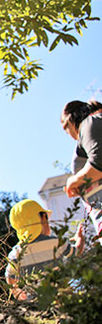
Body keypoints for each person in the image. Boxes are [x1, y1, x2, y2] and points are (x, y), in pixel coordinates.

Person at [6, 199, 83, 300]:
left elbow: (10, 277)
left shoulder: (16, 253)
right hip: (61, 298)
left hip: (35, 305)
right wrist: (80, 238)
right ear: (42, 219)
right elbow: (77, 252)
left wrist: (18, 294)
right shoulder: (56, 242)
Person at [61, 100, 102, 242]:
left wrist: (74, 180)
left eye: (67, 131)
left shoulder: (89, 123)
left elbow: (99, 162)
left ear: (70, 122)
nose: (72, 137)